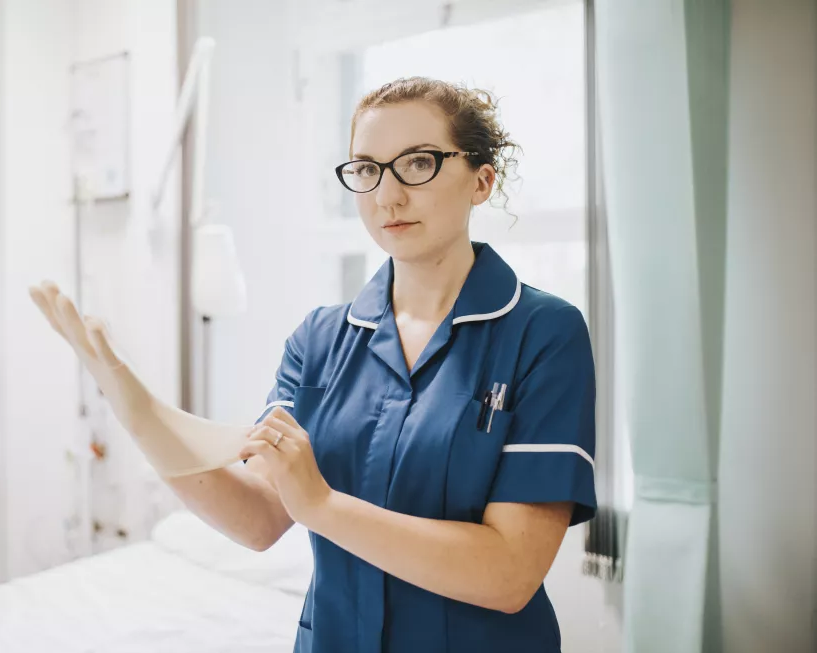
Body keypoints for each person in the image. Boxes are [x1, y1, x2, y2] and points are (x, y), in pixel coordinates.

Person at [30, 76, 596, 653]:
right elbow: (259, 520)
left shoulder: (543, 332)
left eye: (418, 163)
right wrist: (135, 410)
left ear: (482, 180)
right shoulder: (321, 338)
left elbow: (509, 574)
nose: (387, 196)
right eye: (366, 169)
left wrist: (322, 505)